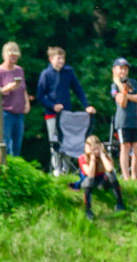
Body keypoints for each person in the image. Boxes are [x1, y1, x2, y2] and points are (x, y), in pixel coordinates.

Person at [36, 47, 96, 175]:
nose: (61, 61)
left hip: (66, 115)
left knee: (68, 140)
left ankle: (66, 169)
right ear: (51, 59)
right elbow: (40, 96)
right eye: (58, 58)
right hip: (51, 114)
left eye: (63, 58)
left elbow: (78, 90)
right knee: (55, 141)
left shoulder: (68, 72)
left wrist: (86, 106)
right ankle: (57, 169)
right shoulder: (45, 74)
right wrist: (52, 106)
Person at [0, 42, 30, 157]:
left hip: (19, 113)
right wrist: (7, 88)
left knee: (17, 145)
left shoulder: (19, 70)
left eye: (16, 56)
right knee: (5, 143)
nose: (14, 58)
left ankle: (15, 168)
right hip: (5, 112)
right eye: (11, 56)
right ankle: (4, 168)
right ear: (5, 55)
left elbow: (23, 88)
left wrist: (27, 103)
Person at [72, 135, 125, 220]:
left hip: (101, 181)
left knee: (111, 174)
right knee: (89, 180)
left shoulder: (104, 156)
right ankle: (88, 210)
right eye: (93, 149)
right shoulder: (82, 158)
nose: (96, 151)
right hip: (88, 182)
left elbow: (110, 169)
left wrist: (102, 155)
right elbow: (90, 174)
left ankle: (120, 203)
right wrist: (92, 159)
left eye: (97, 148)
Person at [111, 57, 137, 181]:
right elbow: (122, 103)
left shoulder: (134, 82)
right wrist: (125, 92)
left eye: (125, 69)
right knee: (125, 147)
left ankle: (134, 176)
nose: (123, 71)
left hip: (135, 120)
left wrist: (127, 95)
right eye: (121, 68)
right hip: (123, 121)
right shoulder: (115, 85)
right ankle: (126, 177)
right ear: (115, 69)